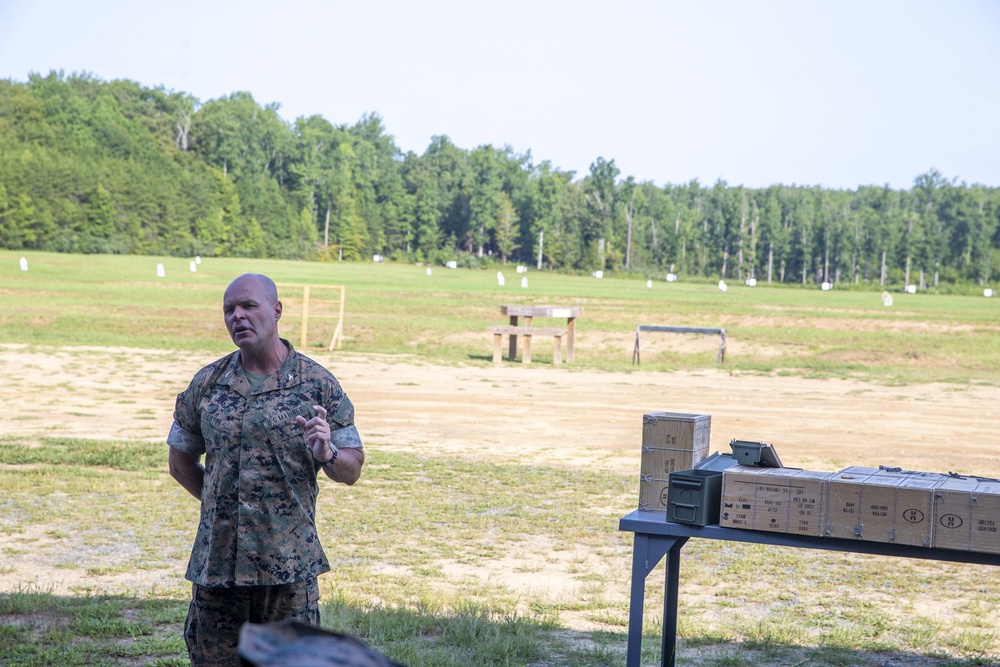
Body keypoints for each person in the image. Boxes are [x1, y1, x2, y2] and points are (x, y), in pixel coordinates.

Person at [167, 273, 364, 667]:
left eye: (248, 306)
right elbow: (179, 461)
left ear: (276, 311)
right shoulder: (208, 383)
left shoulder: (318, 386)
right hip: (217, 568)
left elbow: (352, 468)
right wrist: (221, 506)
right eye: (229, 309)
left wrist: (326, 452)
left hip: (288, 568)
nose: (237, 316)